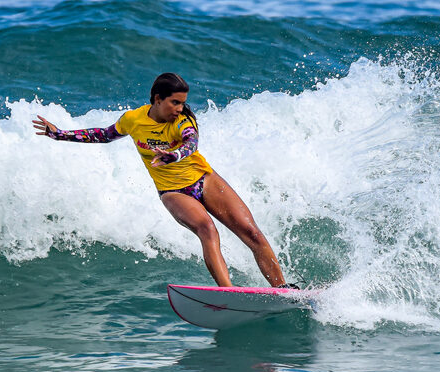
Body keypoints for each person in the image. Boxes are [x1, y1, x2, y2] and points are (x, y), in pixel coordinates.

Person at [32, 73, 298, 289]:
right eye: (175, 102)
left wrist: (173, 155)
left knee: (252, 233)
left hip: (203, 178)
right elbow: (104, 134)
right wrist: (60, 134)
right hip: (172, 191)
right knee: (207, 230)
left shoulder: (183, 121)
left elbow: (191, 143)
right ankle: (228, 293)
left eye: (183, 103)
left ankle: (282, 289)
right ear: (157, 99)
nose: (180, 108)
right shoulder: (133, 120)